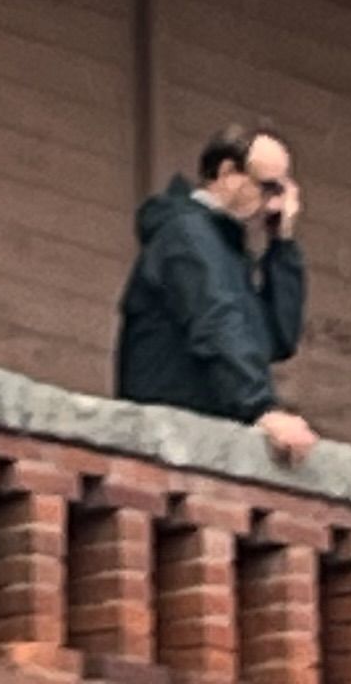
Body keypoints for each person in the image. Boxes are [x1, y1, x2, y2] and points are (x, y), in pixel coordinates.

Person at [113, 124, 313, 460]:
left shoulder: (226, 249)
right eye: (266, 186)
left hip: (199, 441)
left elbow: (278, 338)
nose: (272, 201)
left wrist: (282, 244)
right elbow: (216, 320)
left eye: (280, 189)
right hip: (167, 441)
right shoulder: (187, 234)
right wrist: (261, 409)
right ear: (227, 173)